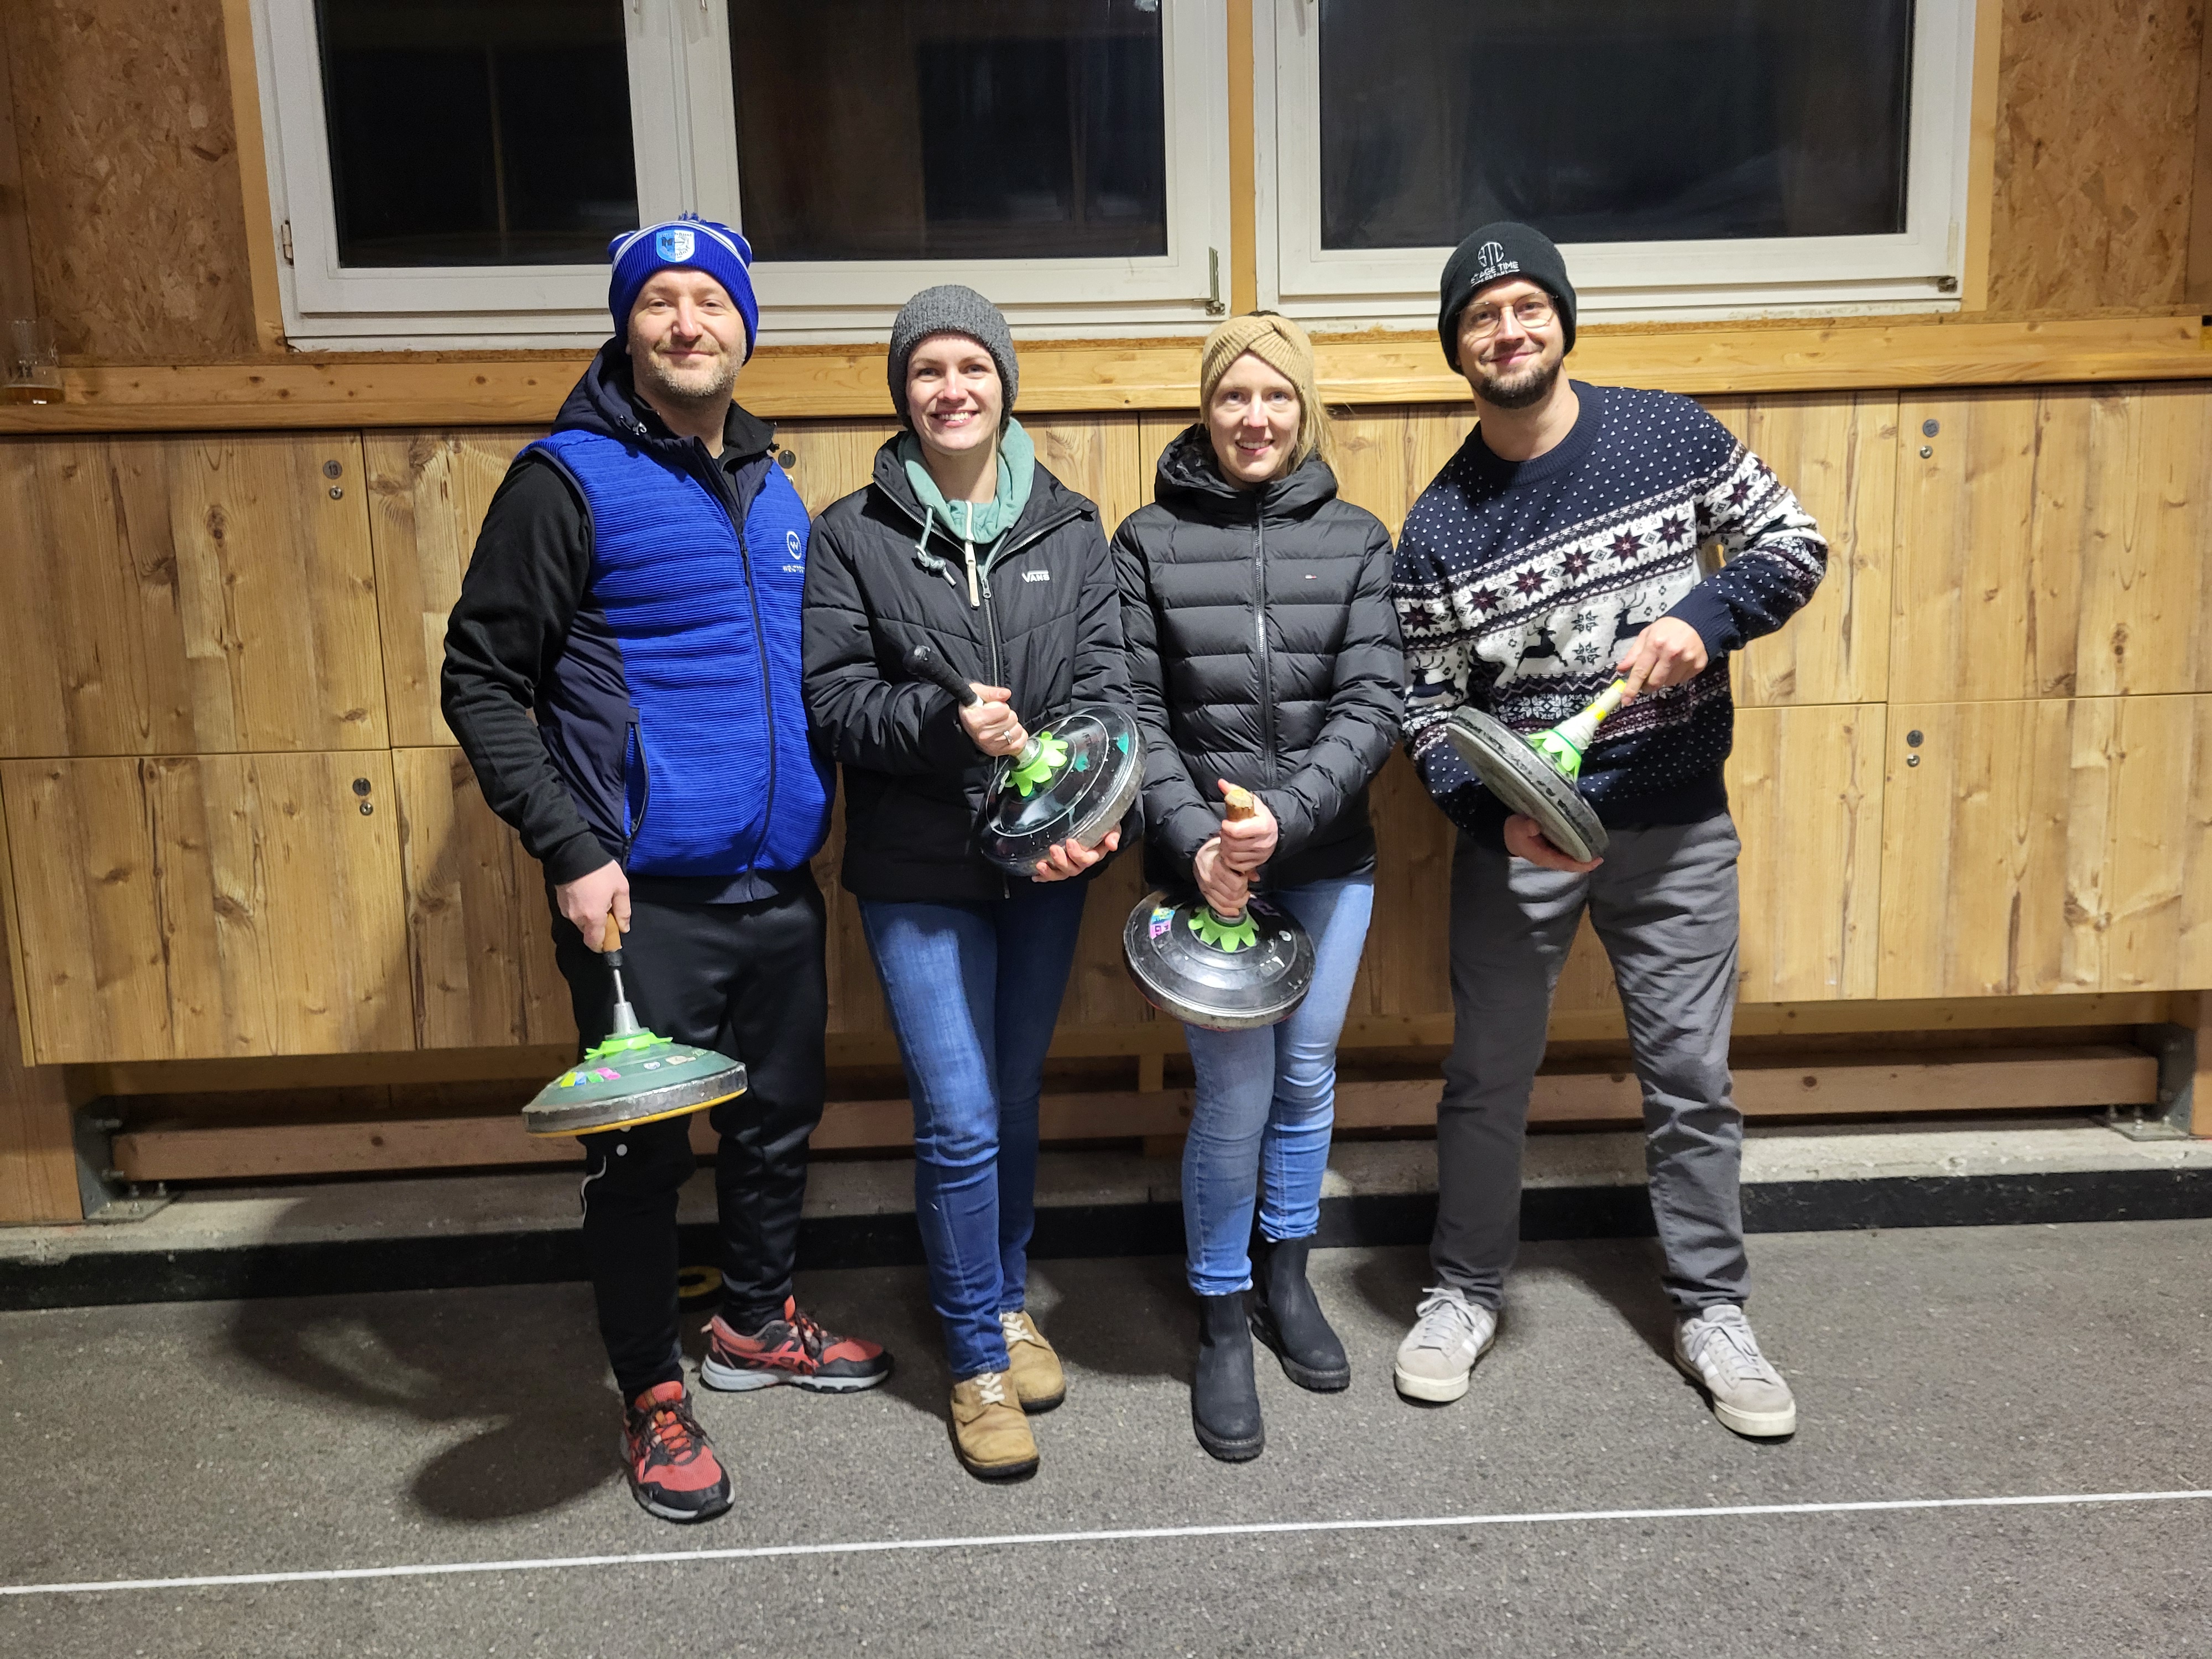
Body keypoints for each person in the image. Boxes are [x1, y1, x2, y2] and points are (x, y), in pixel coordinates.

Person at [443, 215, 891, 1525]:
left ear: (745, 327)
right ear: (626, 327)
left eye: (711, 301)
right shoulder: (564, 480)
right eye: (660, 302)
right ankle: (649, 1390)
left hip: (777, 886)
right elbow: (480, 679)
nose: (687, 323)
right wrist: (572, 845)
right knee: (638, 1161)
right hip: (637, 900)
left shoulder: (774, 487)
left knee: (775, 1124)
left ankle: (754, 1321)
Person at [1390, 223, 1827, 1438]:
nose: (1507, 331)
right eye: (1481, 317)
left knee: (1690, 1079)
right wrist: (1492, 818)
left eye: (1526, 306)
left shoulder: (1667, 436)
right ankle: (1463, 1293)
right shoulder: (1438, 527)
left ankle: (1712, 1310)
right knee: (1486, 1079)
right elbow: (1425, 710)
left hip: (1678, 827)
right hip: (1521, 845)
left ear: (1562, 320)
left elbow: (1795, 543)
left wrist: (1707, 616)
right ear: (1457, 349)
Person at [803, 286, 1133, 1481]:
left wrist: (1084, 825)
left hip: (1042, 868)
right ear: (904, 394)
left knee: (1013, 1095)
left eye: (972, 368)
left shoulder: (1071, 527)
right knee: (957, 1115)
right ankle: (975, 1361)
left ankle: (1001, 1294)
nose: (952, 390)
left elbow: (1107, 692)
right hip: (917, 869)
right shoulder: (851, 534)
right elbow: (833, 702)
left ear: (1004, 383)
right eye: (928, 371)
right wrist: (943, 727)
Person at [1114, 314, 1402, 1461]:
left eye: (1275, 396)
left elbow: (1373, 702)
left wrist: (1287, 816)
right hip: (1204, 877)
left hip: (1325, 859)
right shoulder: (1145, 540)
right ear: (1205, 408)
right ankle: (1222, 1309)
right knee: (1234, 1094)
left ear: (1304, 408)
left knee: (1306, 1073)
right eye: (1233, 396)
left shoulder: (1357, 537)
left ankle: (1288, 1272)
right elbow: (1133, 714)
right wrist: (1202, 843)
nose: (1254, 417)